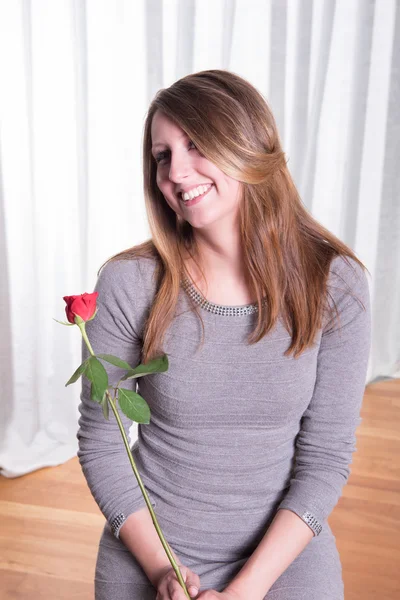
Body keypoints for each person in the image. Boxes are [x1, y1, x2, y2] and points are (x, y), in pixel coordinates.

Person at [76, 69, 371, 600]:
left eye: (196, 144)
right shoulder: (128, 283)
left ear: (248, 146)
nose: (177, 172)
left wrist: (246, 590)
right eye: (163, 155)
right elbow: (103, 443)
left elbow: (326, 455)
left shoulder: (335, 284)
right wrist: (162, 570)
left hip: (284, 559)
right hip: (150, 552)